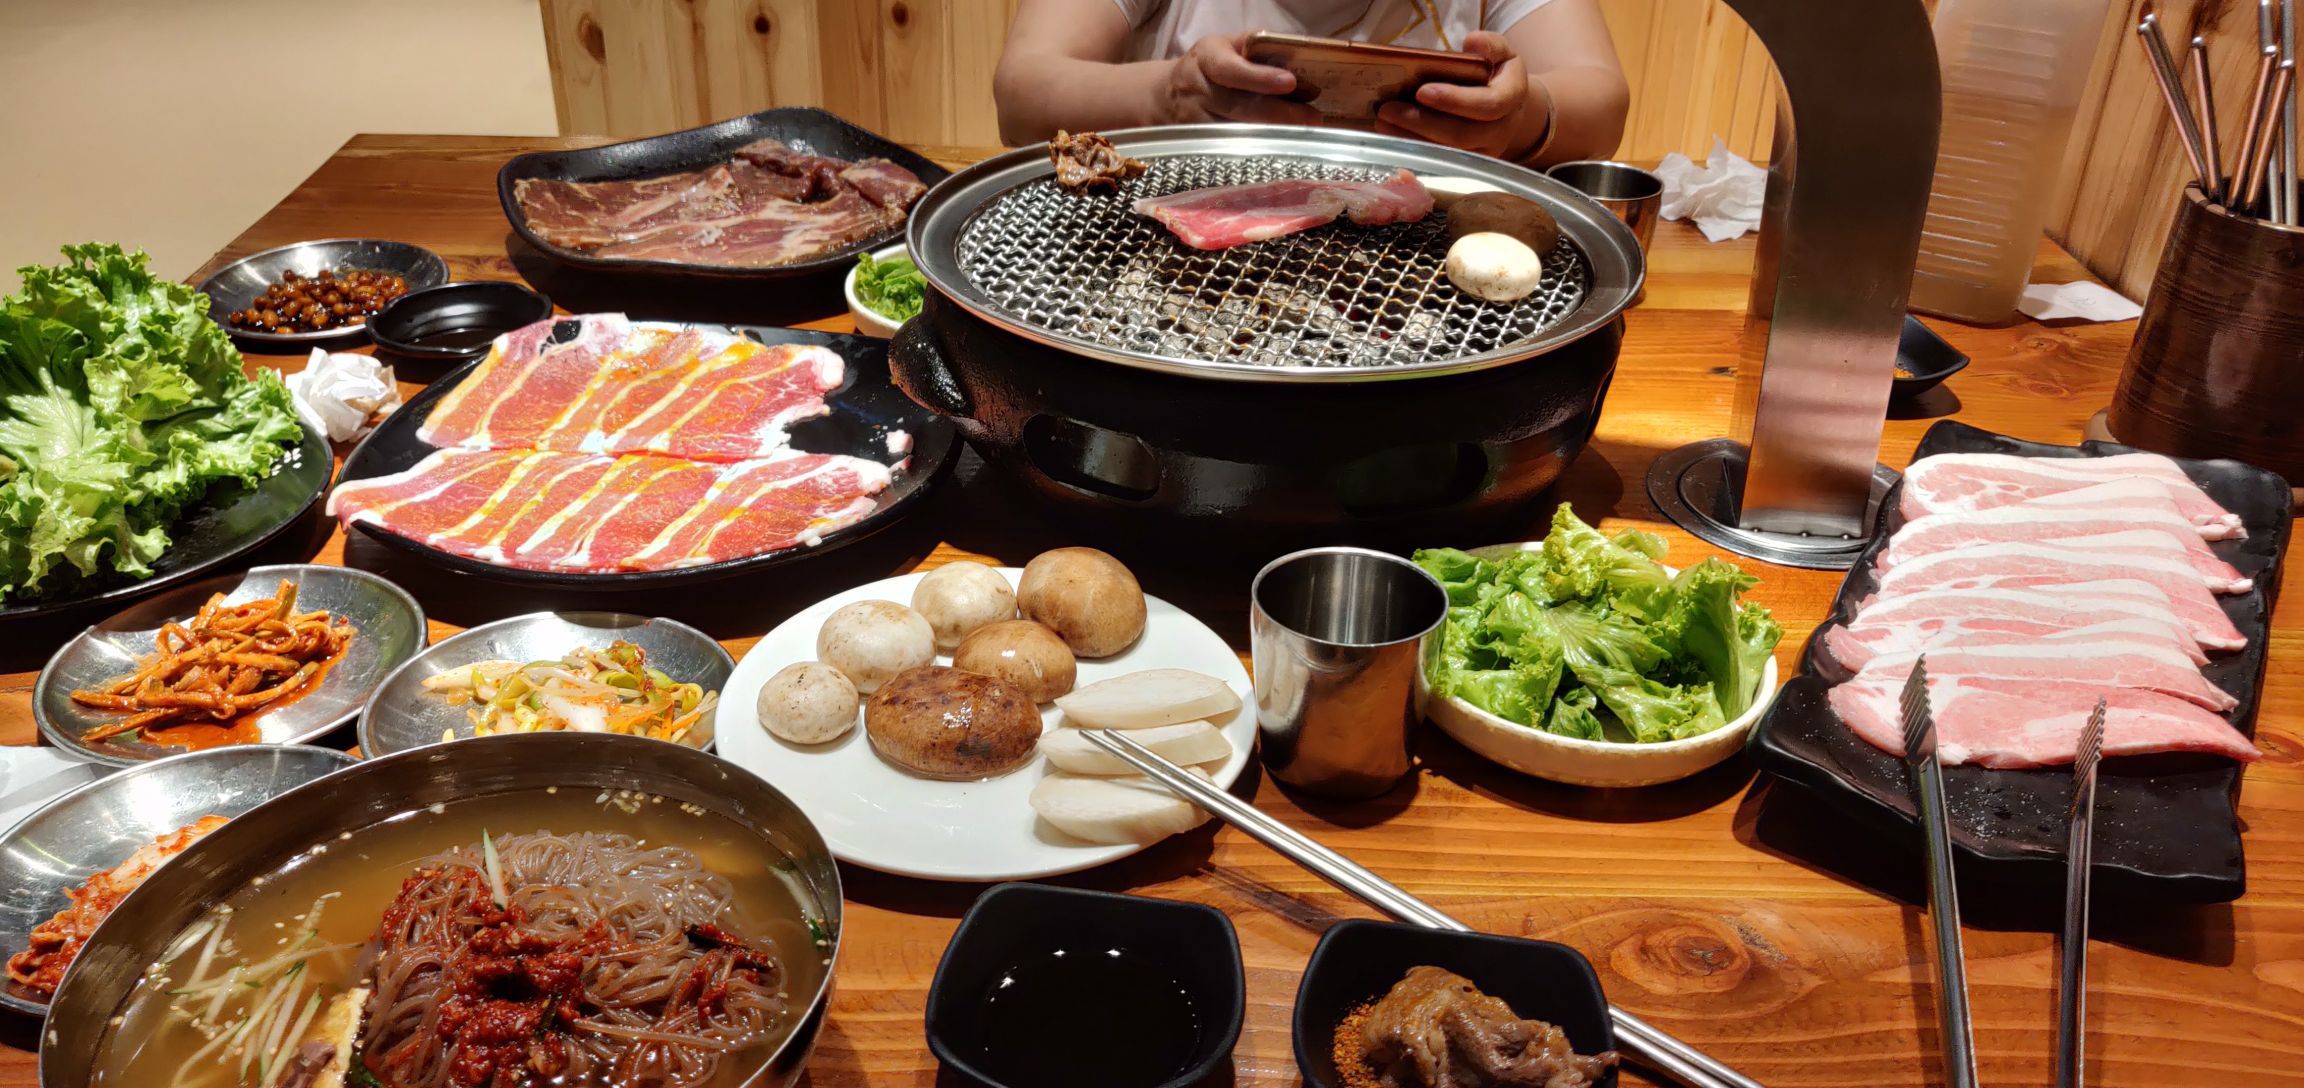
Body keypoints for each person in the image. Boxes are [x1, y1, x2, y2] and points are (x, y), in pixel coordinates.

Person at [994, 0, 1630, 167]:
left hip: (1417, 266)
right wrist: (1171, 96)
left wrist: (1518, 117)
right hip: (1166, 249)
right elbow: (1022, 95)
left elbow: (1602, 103)